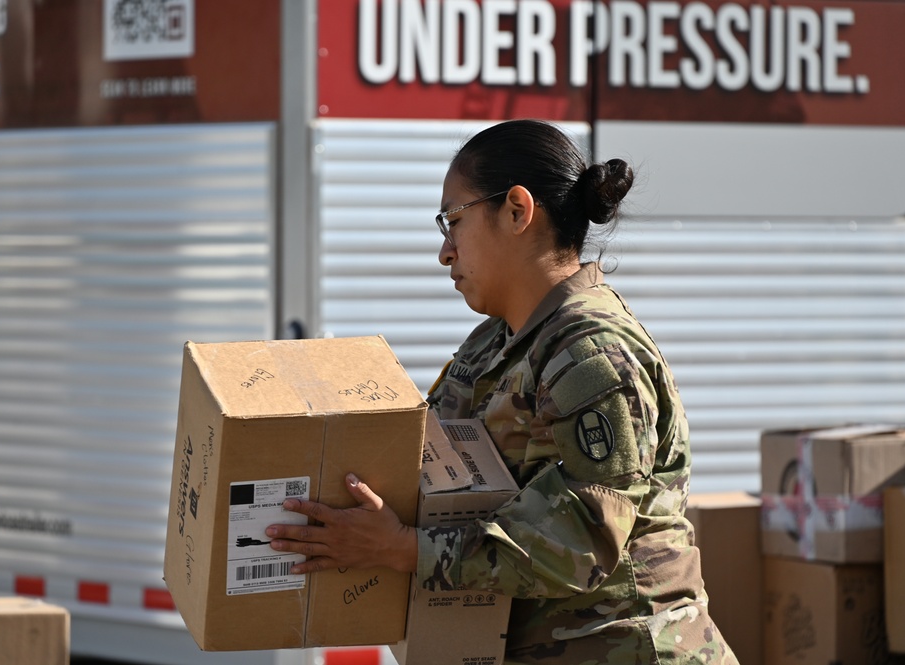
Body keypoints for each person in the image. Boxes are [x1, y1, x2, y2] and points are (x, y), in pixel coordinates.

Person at [266, 119, 737, 664]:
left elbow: (583, 541)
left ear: (517, 210)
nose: (445, 252)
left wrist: (402, 549)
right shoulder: (492, 344)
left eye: (453, 221)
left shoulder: (591, 354)